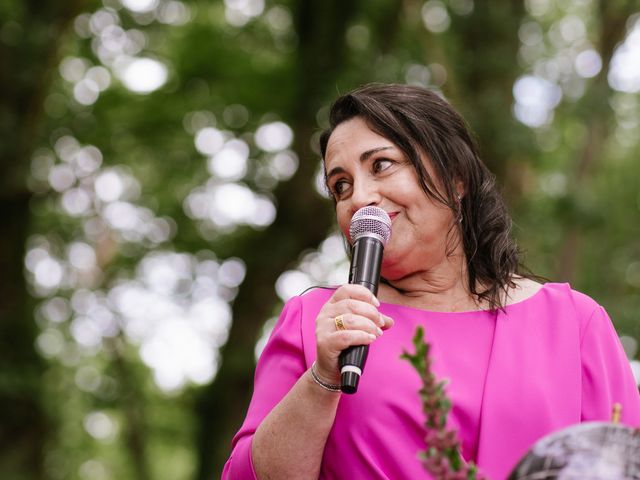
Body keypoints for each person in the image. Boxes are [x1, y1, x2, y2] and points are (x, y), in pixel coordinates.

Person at [222, 84, 640, 479]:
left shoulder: (572, 323)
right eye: (341, 186)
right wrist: (321, 379)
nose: (360, 198)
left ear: (455, 176)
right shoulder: (317, 321)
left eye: (381, 165)